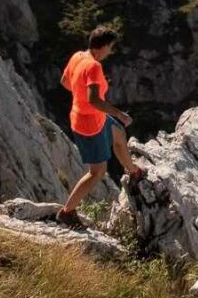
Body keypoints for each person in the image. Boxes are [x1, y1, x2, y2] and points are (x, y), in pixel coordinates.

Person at [56, 25, 145, 228]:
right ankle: (67, 212)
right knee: (97, 172)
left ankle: (133, 172)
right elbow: (94, 99)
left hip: (93, 117)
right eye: (110, 47)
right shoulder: (94, 67)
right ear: (102, 47)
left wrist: (79, 95)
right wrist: (119, 114)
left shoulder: (78, 56)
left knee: (119, 135)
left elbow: (64, 81)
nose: (110, 51)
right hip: (88, 124)